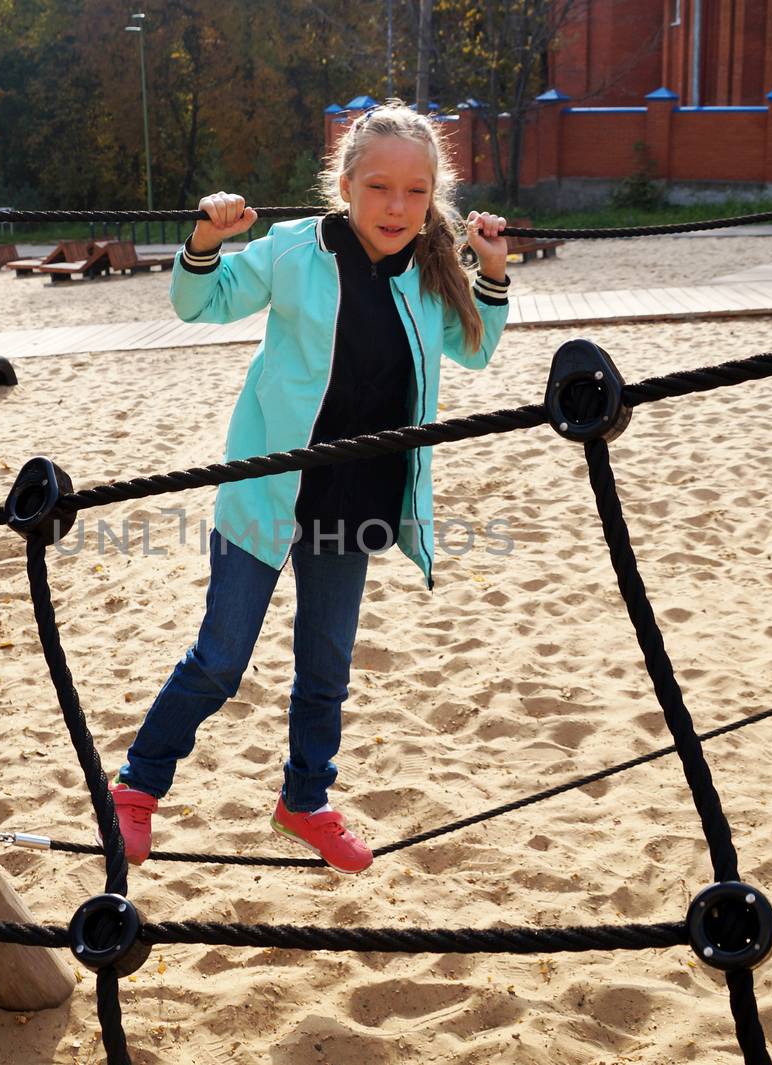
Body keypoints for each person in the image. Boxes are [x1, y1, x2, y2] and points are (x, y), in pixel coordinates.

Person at [110, 102, 511, 873]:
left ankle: (306, 799)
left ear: (434, 196)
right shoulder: (294, 249)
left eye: (417, 192)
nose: (397, 208)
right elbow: (199, 301)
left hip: (355, 503)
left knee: (325, 668)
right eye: (380, 187)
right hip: (268, 495)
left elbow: (476, 349)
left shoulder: (431, 268)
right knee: (221, 661)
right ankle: (136, 786)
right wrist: (205, 239)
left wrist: (491, 268)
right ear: (346, 184)